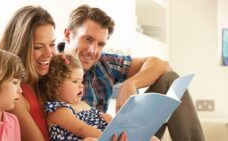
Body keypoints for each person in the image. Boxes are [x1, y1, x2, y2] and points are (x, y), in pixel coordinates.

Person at [0, 5, 126, 141]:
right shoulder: (14, 94)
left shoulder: (47, 76)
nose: (49, 54)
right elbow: (1, 55)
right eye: (39, 46)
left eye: (51, 44)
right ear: (21, 47)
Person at [62, 4, 205, 141]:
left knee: (169, 78)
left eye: (100, 44)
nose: (93, 51)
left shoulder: (104, 63)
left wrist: (131, 83)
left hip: (118, 136)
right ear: (68, 35)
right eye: (88, 39)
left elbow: (162, 64)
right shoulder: (49, 68)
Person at [40, 54, 160, 141]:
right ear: (56, 85)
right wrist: (107, 136)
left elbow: (101, 117)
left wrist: (109, 121)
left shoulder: (83, 104)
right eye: (75, 81)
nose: (81, 85)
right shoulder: (58, 110)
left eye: (81, 81)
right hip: (99, 138)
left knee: (152, 139)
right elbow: (82, 129)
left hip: (109, 136)